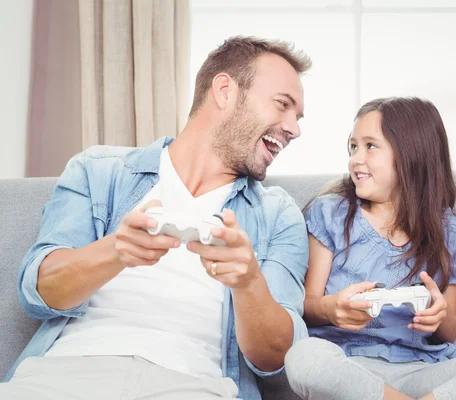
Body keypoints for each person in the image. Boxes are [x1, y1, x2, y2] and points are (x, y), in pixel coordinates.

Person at [1, 36, 312, 400]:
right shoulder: (99, 171)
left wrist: (248, 282)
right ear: (225, 91)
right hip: (67, 372)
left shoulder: (279, 215)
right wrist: (116, 250)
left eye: (298, 116)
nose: (294, 128)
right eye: (282, 105)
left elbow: (275, 357)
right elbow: (39, 291)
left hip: (193, 384)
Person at [284, 97, 456, 400]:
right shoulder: (332, 213)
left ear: (411, 154)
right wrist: (331, 308)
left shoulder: (452, 233)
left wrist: (439, 314)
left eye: (370, 146)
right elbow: (308, 308)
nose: (355, 159)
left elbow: (448, 331)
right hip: (349, 372)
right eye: (353, 147)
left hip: (418, 371)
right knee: (305, 357)